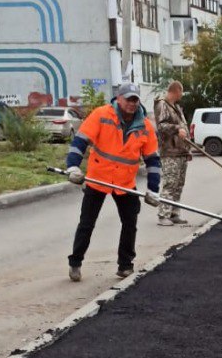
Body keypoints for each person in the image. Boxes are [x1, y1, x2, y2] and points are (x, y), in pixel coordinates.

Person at [64, 83, 161, 281]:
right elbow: (80, 141)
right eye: (128, 99)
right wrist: (73, 166)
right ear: (118, 99)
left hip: (124, 182)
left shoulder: (145, 127)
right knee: (87, 223)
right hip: (97, 178)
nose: (132, 103)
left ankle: (125, 265)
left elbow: (153, 159)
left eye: (135, 100)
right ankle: (75, 262)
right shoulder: (101, 115)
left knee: (130, 222)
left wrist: (153, 189)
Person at [153, 79, 192, 226]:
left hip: (180, 151)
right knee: (170, 184)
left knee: (179, 184)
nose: (182, 95)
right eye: (181, 92)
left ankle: (174, 213)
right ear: (176, 91)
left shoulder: (176, 107)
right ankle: (163, 215)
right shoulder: (162, 104)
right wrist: (176, 129)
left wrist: (188, 150)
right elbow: (162, 126)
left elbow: (184, 129)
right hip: (170, 152)